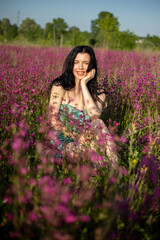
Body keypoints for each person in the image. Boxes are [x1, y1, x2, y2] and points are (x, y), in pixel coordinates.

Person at [48, 45, 118, 168]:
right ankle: (108, 177)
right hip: (63, 140)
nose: (80, 67)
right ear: (71, 64)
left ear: (91, 67)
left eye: (85, 63)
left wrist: (84, 84)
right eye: (76, 62)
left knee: (99, 123)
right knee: (77, 149)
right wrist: (75, 136)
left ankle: (114, 175)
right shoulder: (60, 86)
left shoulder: (99, 94)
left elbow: (94, 116)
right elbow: (52, 120)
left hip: (85, 141)